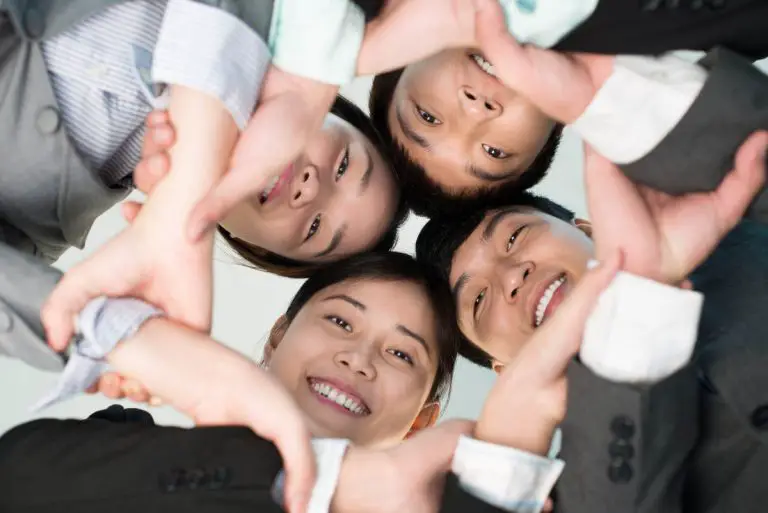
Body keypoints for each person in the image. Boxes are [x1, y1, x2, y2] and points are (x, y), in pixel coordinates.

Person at [415, 135, 768, 512]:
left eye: (515, 236)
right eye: (479, 301)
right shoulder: (580, 498)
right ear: (507, 371)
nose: (512, 277)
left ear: (586, 228)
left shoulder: (741, 222)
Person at [0, 251, 461, 513]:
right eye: (341, 321)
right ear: (277, 337)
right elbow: (16, 478)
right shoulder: (120, 438)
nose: (358, 358)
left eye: (401, 354)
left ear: (421, 423)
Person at [368, 0, 768, 217]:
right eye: (493, 152)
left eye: (428, 117)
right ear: (552, 132)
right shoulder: (732, 26)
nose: (476, 111)